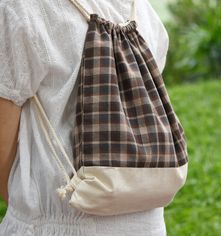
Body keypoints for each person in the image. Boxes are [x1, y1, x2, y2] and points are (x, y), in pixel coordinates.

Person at [0, 0, 169, 235]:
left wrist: (23, 203)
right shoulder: (143, 10)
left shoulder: (22, 8)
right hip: (147, 224)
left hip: (49, 222)